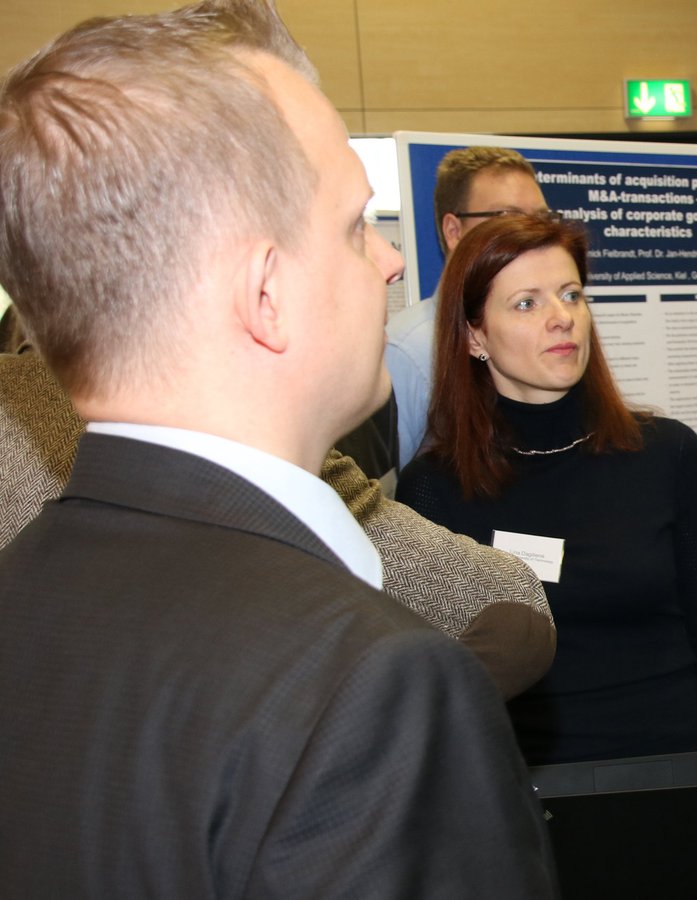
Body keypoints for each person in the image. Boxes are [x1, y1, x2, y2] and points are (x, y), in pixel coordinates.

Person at [0, 2, 555, 895]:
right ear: (266, 293)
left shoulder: (24, 593)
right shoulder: (375, 689)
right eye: (352, 225)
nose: (390, 263)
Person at [396, 213, 697, 899]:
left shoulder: (667, 454)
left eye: (571, 295)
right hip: (528, 811)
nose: (562, 318)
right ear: (473, 335)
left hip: (684, 788)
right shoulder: (435, 487)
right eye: (527, 302)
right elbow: (435, 691)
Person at [0, 345, 557, 698]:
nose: (389, 262)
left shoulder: (248, 412)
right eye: (344, 230)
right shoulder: (26, 417)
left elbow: (508, 602)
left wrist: (372, 730)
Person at [386, 147, 547, 468]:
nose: (533, 235)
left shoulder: (548, 333)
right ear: (454, 231)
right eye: (510, 218)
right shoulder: (407, 354)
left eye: (541, 219)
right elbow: (376, 500)